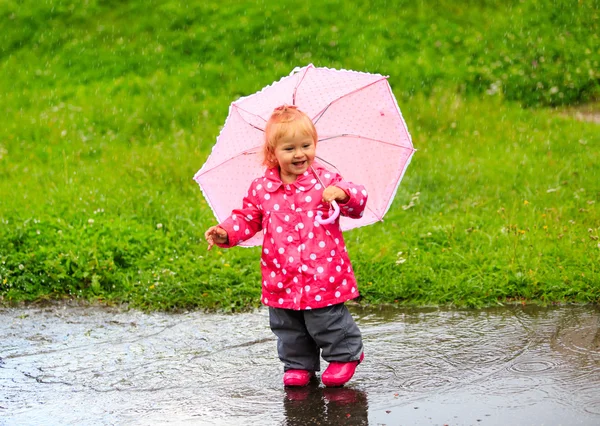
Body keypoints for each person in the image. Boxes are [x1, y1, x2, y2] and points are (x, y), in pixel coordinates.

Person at [204, 105, 367, 387]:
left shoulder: (324, 180)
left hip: (321, 270)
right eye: (290, 148)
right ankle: (298, 365)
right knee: (287, 324)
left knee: (325, 319)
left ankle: (345, 355)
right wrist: (225, 232)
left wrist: (342, 194)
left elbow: (358, 200)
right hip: (281, 272)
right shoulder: (262, 188)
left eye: (306, 145)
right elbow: (248, 218)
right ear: (272, 153)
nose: (300, 154)